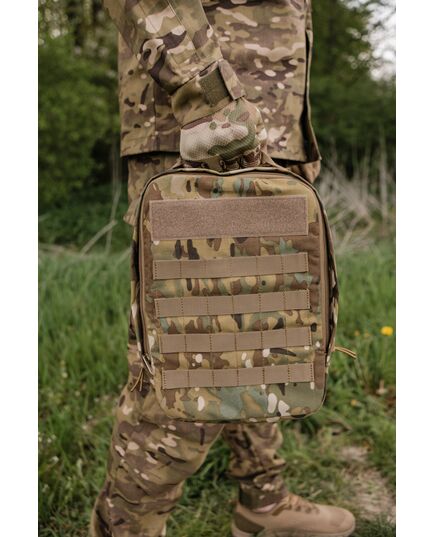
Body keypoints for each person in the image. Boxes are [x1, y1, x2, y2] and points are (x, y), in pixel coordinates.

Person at [90, 1, 355, 536]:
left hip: (264, 129)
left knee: (263, 331)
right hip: (203, 129)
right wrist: (205, 95)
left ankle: (263, 500)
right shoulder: (207, 106)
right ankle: (124, 528)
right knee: (193, 360)